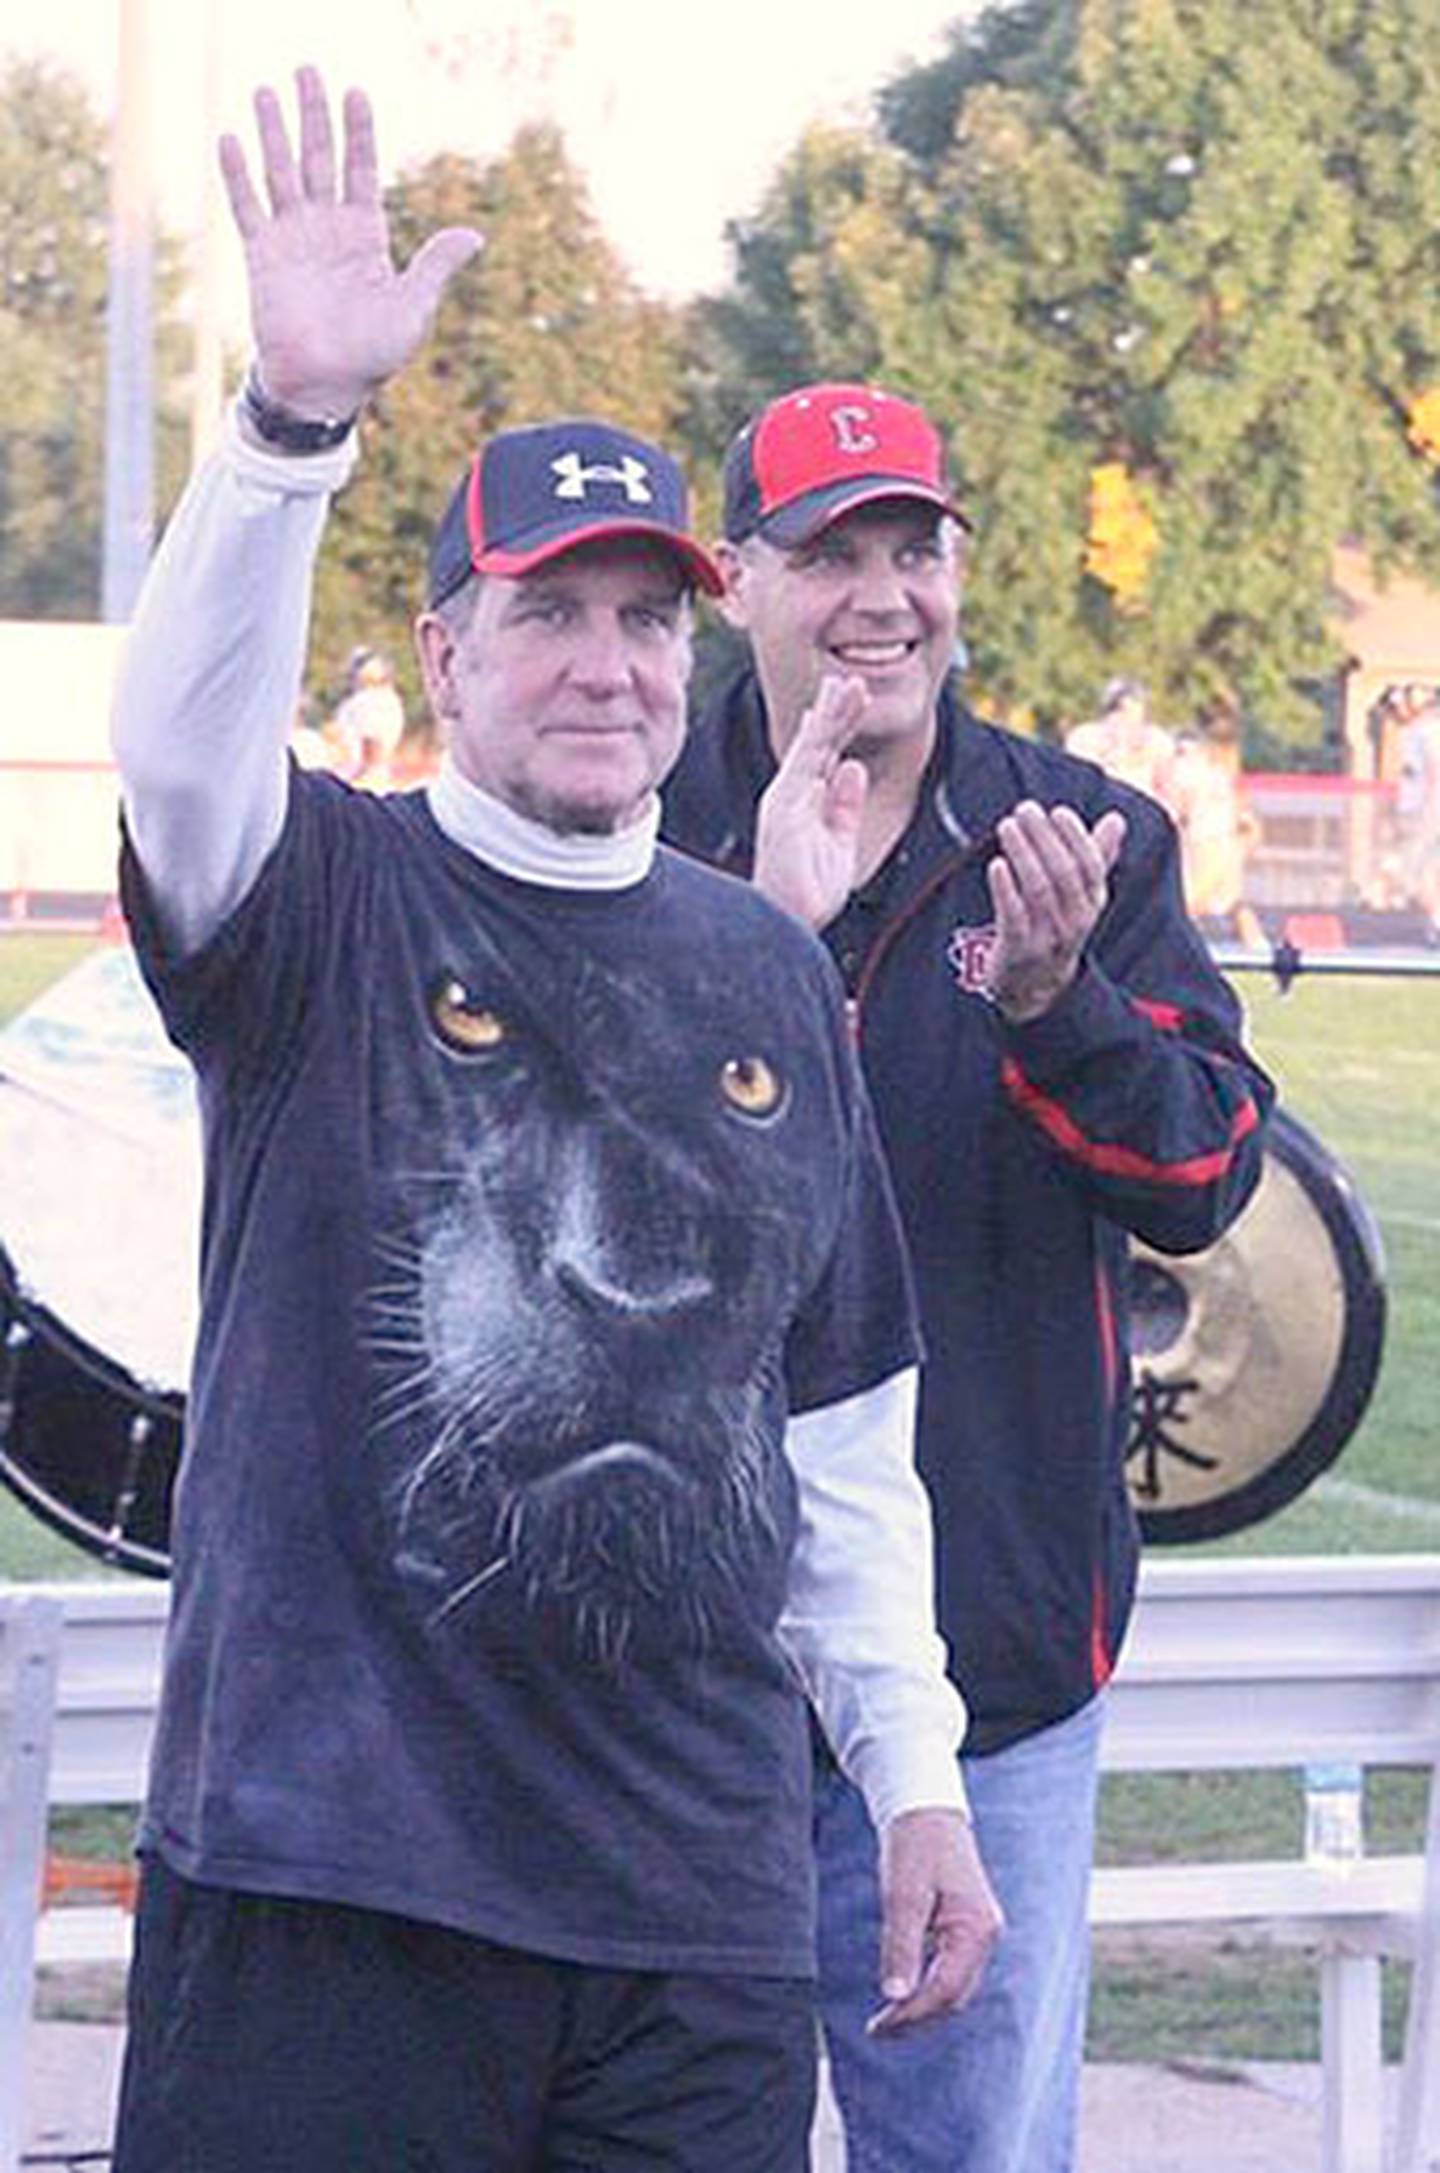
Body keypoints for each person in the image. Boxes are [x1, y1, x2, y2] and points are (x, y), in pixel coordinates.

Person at [107, 84, 1000, 2173]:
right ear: (443, 652)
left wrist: (918, 1773)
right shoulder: (319, 897)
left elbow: (838, 1430)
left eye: (645, 615)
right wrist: (286, 429)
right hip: (330, 1870)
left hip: (684, 1906)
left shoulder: (771, 963)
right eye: (547, 611)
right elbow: (172, 749)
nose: (605, 665)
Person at [662, 380, 1276, 2173]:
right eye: (824, 552)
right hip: (675, 1674)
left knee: (973, 2156)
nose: (879, 593)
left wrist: (1054, 1008)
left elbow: (1205, 1177)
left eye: (911, 546)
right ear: (736, 582)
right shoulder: (642, 817)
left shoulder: (1077, 832)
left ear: (961, 567)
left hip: (993, 1661)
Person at [1065, 675, 1179, 812]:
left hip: (1143, 816)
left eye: (1134, 711)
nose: (1124, 720)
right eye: (1118, 710)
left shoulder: (1158, 743)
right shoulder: (1084, 739)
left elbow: (1166, 789)